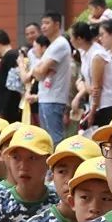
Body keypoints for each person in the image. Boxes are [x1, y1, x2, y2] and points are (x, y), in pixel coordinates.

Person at [69, 22, 112, 130]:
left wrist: (92, 112)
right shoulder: (84, 53)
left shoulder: (97, 55)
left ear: (79, 39)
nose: (70, 41)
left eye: (71, 37)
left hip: (106, 105)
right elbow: (87, 81)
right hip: (96, 103)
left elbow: (97, 87)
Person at [32, 13, 72, 143]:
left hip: (54, 98)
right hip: (46, 97)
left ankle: (58, 163)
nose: (43, 26)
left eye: (47, 23)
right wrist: (38, 71)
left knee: (55, 139)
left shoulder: (60, 44)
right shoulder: (52, 45)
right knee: (47, 139)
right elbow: (38, 73)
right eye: (42, 23)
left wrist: (38, 71)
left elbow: (40, 72)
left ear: (57, 24)